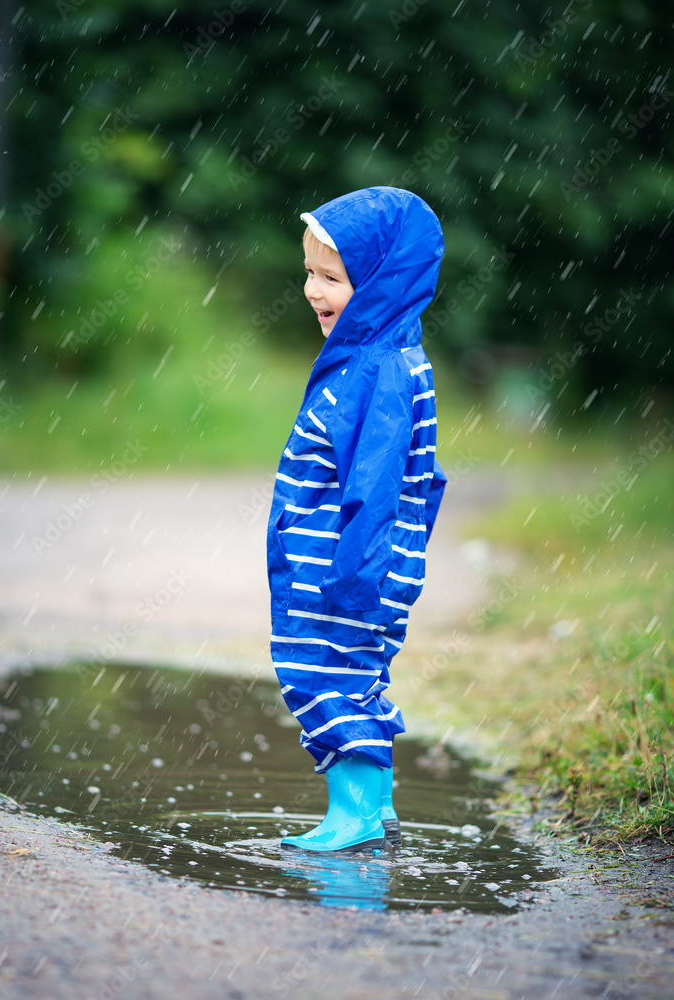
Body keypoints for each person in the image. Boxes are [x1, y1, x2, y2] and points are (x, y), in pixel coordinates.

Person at [267, 186, 447, 853]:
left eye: (332, 278)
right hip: (349, 560)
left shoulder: (379, 368)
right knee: (354, 672)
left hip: (349, 565)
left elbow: (376, 487)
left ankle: (356, 813)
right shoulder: (378, 355)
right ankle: (377, 804)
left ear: (379, 283)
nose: (313, 290)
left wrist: (353, 573)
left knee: (324, 675)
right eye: (310, 271)